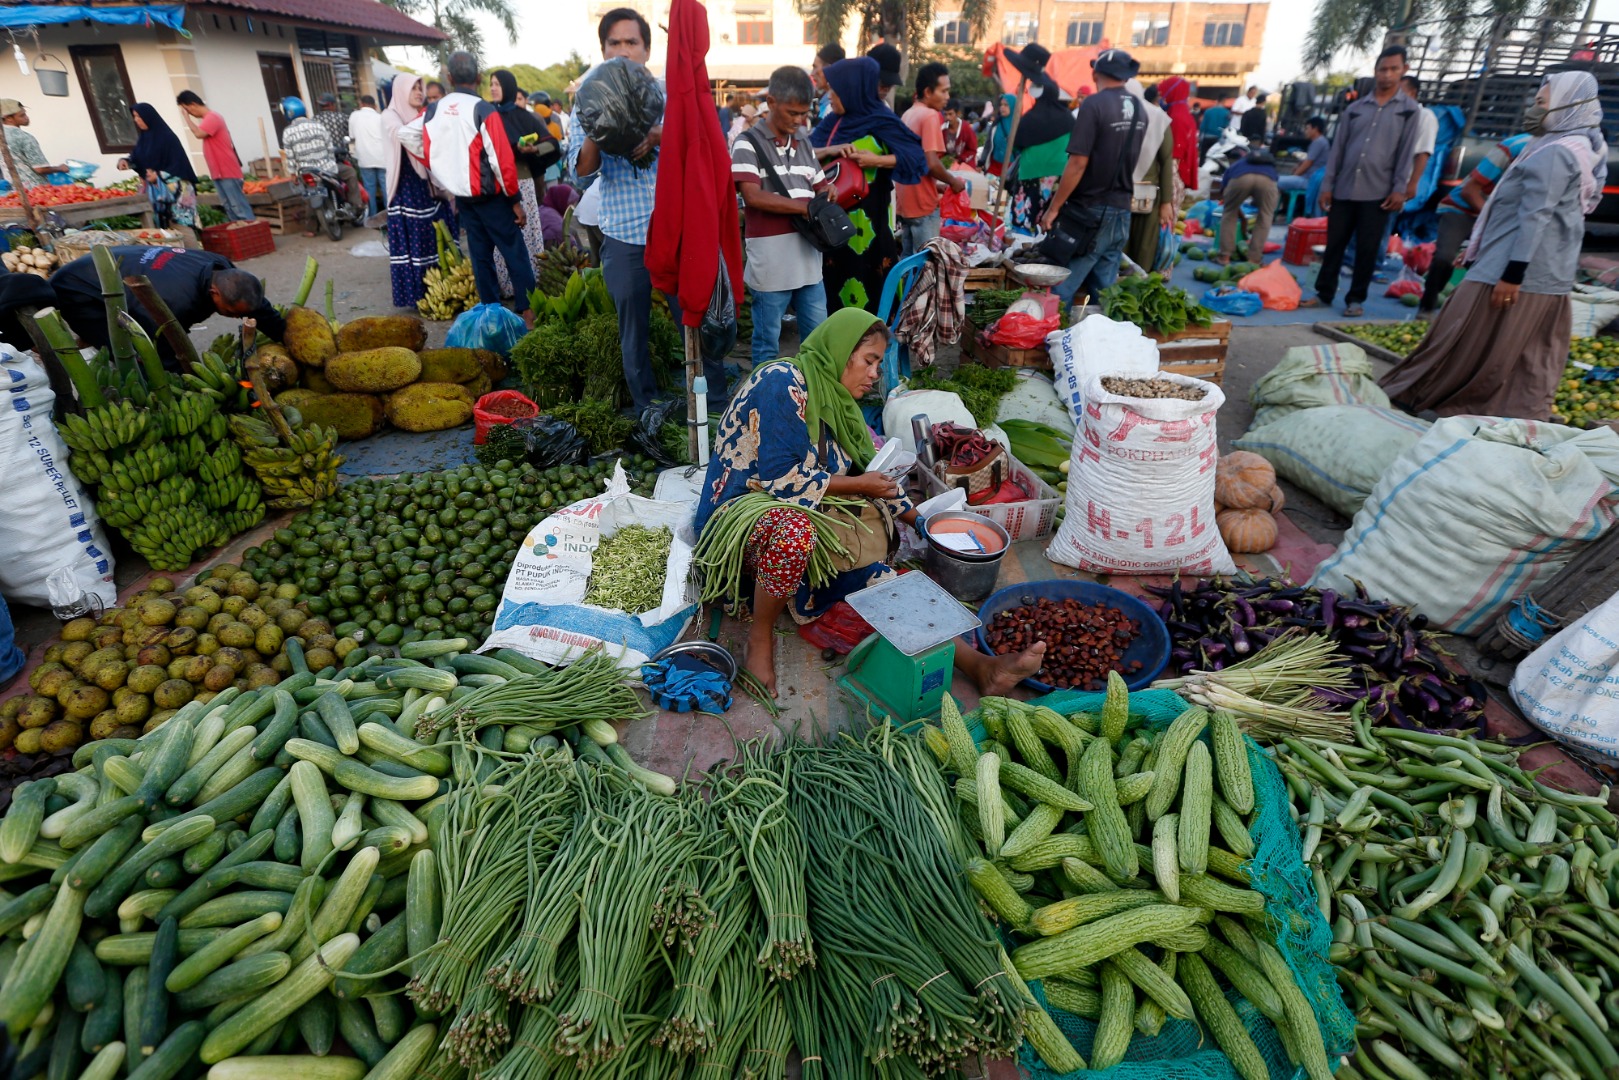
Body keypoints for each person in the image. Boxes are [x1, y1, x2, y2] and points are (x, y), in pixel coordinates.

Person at [694, 307, 1047, 697]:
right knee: (796, 533)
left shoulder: (838, 404)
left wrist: (922, 523)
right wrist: (861, 484)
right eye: (869, 360)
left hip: (804, 513)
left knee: (879, 578)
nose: (875, 373)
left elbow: (875, 473)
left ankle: (980, 667)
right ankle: (759, 638)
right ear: (841, 351)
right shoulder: (782, 382)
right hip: (744, 519)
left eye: (879, 364)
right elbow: (781, 480)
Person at [1381, 72, 1605, 420]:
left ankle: (1459, 405)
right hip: (1527, 265)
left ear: (1567, 106)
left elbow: (1536, 216)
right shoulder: (1567, 148)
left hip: (1520, 269)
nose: (1534, 109)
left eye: (1541, 103)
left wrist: (1513, 274)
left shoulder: (1557, 153)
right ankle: (1480, 407)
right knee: (1507, 349)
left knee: (1473, 340)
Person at [566, 9, 709, 410]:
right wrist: (599, 126)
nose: (623, 50)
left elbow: (703, 141)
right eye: (615, 43)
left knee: (694, 317)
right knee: (633, 329)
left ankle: (706, 403)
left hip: (676, 230)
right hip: (624, 233)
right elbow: (579, 175)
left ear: (647, 49)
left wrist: (662, 133)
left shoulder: (669, 95)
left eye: (632, 42)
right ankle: (649, 408)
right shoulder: (587, 100)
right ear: (603, 50)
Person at [400, 53, 534, 322]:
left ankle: (491, 316)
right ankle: (529, 313)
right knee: (514, 252)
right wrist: (515, 200)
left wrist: (437, 163)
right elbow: (501, 160)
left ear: (449, 78)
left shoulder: (435, 109)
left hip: (463, 196)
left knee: (480, 256)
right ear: (479, 77)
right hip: (492, 197)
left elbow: (406, 133)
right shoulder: (483, 109)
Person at [1301, 46, 1421, 317]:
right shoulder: (1355, 109)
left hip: (1378, 192)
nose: (1387, 74)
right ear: (1375, 71)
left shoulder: (1409, 111)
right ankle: (1324, 292)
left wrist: (1399, 189)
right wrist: (1327, 185)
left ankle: (1355, 299)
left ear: (1404, 70)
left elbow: (1406, 152)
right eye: (1382, 69)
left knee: (1367, 248)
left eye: (1393, 69)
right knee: (1335, 244)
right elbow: (1338, 150)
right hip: (1344, 188)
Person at [809, 57, 927, 313]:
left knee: (872, 288)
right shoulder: (832, 123)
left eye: (835, 89)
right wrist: (830, 149)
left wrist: (877, 160)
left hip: (871, 226)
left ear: (852, 89)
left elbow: (916, 158)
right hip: (833, 225)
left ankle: (874, 337)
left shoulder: (882, 119)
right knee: (834, 287)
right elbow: (804, 154)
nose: (830, 95)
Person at [733, 66, 828, 369]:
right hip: (771, 263)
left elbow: (820, 186)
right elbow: (753, 196)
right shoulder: (747, 142)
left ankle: (813, 392)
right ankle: (764, 394)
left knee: (817, 342)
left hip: (809, 262)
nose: (799, 120)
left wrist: (828, 194)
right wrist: (804, 207)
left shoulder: (804, 142)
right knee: (767, 345)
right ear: (771, 102)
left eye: (804, 113)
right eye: (792, 113)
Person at [1041, 49, 1146, 308]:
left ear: (1096, 73)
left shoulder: (1094, 104)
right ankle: (1103, 331)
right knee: (1105, 292)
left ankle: (1053, 332)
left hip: (1091, 212)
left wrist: (1053, 208)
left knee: (1062, 287)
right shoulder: (1139, 107)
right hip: (1122, 210)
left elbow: (1078, 163)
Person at [50, 245, 284, 360]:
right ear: (214, 293)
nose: (236, 318)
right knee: (124, 350)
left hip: (123, 265)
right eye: (232, 313)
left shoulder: (221, 266)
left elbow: (257, 308)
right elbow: (163, 344)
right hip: (78, 287)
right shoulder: (177, 302)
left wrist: (282, 333)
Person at [1419, 131, 1531, 314]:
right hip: (1462, 208)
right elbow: (1469, 191)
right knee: (1444, 258)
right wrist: (1492, 220)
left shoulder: (1553, 154)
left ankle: (1469, 312)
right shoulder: (1512, 147)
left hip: (1498, 215)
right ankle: (1427, 307)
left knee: (1485, 264)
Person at [380, 75, 456, 309]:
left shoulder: (420, 114)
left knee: (435, 237)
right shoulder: (390, 115)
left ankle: (444, 291)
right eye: (412, 88)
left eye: (419, 87)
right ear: (400, 90)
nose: (418, 92)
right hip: (406, 187)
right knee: (415, 241)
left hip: (428, 186)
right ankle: (417, 296)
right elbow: (403, 135)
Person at [488, 68, 557, 301]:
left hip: (522, 182)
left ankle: (529, 286)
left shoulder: (524, 117)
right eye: (491, 84)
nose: (493, 88)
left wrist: (534, 149)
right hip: (495, 184)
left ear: (508, 87)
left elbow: (552, 143)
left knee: (525, 233)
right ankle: (505, 286)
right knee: (500, 236)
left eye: (497, 84)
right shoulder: (486, 114)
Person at [895, 62, 966, 257]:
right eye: (943, 91)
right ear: (928, 92)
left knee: (908, 261)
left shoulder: (908, 114)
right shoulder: (930, 116)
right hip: (922, 205)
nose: (947, 97)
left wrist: (936, 185)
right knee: (927, 263)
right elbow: (931, 163)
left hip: (906, 202)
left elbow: (914, 163)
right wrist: (953, 181)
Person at [280, 97, 364, 236]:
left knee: (310, 194)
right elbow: (329, 148)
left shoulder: (288, 132)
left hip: (306, 172)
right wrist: (330, 162)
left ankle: (311, 229)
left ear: (288, 113)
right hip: (327, 169)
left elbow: (290, 156)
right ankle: (356, 205)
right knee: (350, 172)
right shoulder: (318, 126)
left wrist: (293, 174)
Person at [119, 104, 200, 242]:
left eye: (139, 116)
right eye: (134, 117)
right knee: (165, 231)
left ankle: (193, 254)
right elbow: (138, 158)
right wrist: (126, 161)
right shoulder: (144, 139)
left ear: (148, 117)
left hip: (178, 190)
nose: (136, 120)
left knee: (182, 226)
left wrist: (159, 175)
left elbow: (178, 164)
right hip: (158, 191)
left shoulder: (167, 137)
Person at [1007, 73, 1075, 235]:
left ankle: (1022, 246)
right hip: (1057, 177)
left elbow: (1015, 145)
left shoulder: (1028, 119)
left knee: (1024, 220)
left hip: (1029, 174)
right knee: (1052, 221)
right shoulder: (1069, 119)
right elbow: (1075, 147)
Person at [175, 91, 252, 223]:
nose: (189, 113)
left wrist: (186, 119)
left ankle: (252, 229)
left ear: (193, 105)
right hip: (219, 172)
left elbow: (199, 134)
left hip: (227, 170)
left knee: (238, 207)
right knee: (230, 208)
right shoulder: (208, 119)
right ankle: (241, 231)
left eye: (187, 110)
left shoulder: (212, 117)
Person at [1125, 79, 1175, 272]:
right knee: (1143, 247)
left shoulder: (1109, 112)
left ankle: (1118, 285)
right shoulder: (1158, 116)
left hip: (1121, 191)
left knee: (1120, 247)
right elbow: (1166, 161)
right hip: (1146, 192)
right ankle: (1137, 283)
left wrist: (1166, 202)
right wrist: (1166, 202)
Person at [1214, 148, 1278, 265]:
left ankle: (1224, 256)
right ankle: (1254, 259)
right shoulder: (1270, 167)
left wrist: (1238, 213)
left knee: (1229, 214)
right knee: (1265, 216)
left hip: (1240, 178)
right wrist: (1243, 218)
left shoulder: (1238, 164)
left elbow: (1225, 197)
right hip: (1267, 180)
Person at [0, 100, 65, 189]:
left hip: (14, 190)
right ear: (8, 118)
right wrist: (60, 168)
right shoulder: (24, 137)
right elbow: (40, 169)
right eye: (22, 115)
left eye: (25, 114)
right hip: (35, 190)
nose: (27, 118)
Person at [348, 94, 391, 225]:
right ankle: (391, 217)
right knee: (386, 188)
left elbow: (352, 136)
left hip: (365, 158)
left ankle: (373, 218)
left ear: (361, 104)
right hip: (382, 158)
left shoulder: (354, 116)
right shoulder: (381, 117)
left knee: (369, 190)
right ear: (375, 105)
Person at [1278, 115, 1329, 212]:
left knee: (1274, 181)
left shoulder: (1319, 142)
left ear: (1315, 129)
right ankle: (1285, 209)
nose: (1306, 131)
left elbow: (1308, 163)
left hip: (1308, 180)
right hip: (1309, 178)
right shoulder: (1321, 142)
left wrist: (1295, 175)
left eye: (1307, 128)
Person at [1157, 76, 1199, 192]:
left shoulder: (1176, 117)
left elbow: (1175, 155)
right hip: (1179, 172)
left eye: (1163, 93)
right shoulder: (1182, 112)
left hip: (1174, 174)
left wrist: (1165, 186)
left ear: (1172, 92)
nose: (1162, 97)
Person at [811, 43, 845, 123]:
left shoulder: (837, 106)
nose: (812, 73)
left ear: (829, 69)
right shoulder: (818, 100)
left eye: (815, 67)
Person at [984, 93, 1016, 176]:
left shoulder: (1018, 126)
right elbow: (988, 144)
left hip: (1011, 169)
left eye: (1006, 105)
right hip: (994, 166)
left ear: (1013, 106)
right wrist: (982, 161)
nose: (1002, 107)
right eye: (1001, 105)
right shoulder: (996, 124)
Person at [942, 98, 978, 165]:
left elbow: (972, 150)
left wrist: (960, 159)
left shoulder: (966, 128)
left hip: (965, 164)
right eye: (945, 114)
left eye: (950, 114)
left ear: (958, 113)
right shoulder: (942, 129)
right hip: (949, 164)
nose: (947, 117)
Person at [315, 93, 350, 159]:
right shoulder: (342, 117)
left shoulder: (314, 120)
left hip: (325, 159)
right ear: (331, 105)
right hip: (343, 157)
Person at [1198, 97, 1230, 162]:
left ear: (1217, 101)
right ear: (1224, 102)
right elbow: (1226, 126)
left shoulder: (1208, 111)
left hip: (1207, 137)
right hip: (1218, 138)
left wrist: (1200, 137)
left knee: (1203, 156)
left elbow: (1203, 126)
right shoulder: (1226, 112)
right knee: (1215, 158)